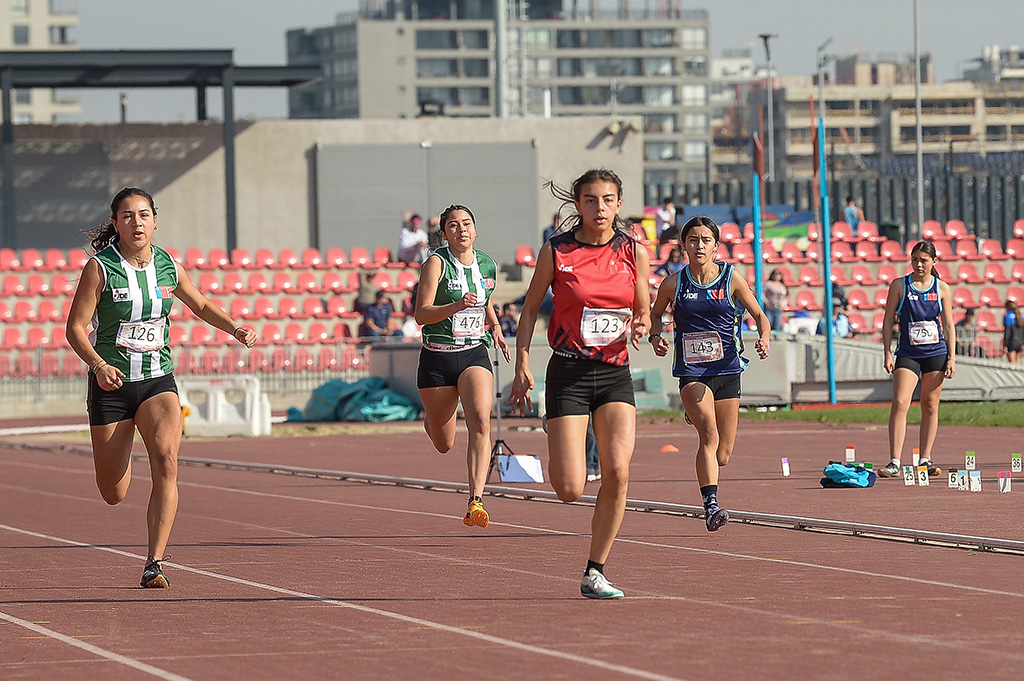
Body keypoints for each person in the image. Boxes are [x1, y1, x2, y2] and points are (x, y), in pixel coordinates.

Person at [64, 187, 258, 588]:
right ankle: (123, 449)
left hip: (157, 379)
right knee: (113, 492)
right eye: (128, 216)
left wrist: (234, 327)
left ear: (155, 220)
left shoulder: (168, 265)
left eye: (144, 215)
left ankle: (154, 562)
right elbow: (75, 329)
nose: (137, 222)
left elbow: (200, 305)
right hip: (112, 384)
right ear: (116, 223)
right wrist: (99, 366)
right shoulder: (100, 269)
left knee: (167, 461)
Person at [509, 168, 650, 600]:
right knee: (569, 489)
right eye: (591, 200)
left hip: (614, 373)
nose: (600, 208)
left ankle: (595, 570)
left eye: (608, 200)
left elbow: (643, 308)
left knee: (618, 472)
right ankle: (563, 450)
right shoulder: (557, 251)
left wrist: (645, 326)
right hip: (567, 373)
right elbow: (531, 309)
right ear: (578, 205)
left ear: (619, 204)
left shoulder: (633, 252)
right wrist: (522, 364)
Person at [648, 215, 771, 534]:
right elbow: (656, 312)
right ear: (683, 246)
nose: (699, 245)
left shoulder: (731, 278)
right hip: (692, 372)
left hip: (728, 369)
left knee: (724, 454)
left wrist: (763, 337)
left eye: (705, 240)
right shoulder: (674, 283)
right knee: (709, 436)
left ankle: (697, 418)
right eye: (693, 239)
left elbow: (758, 314)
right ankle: (711, 506)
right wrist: (656, 336)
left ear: (716, 247)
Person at [415, 204, 510, 526]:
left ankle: (476, 500)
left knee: (481, 420)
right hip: (438, 356)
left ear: (476, 229)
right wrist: (456, 305)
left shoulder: (487, 264)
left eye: (467, 223)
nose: (461, 230)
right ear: (444, 233)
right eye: (453, 226)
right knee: (444, 443)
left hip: (474, 351)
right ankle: (433, 421)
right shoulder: (436, 264)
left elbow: (486, 298)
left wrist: (495, 326)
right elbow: (421, 315)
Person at [878, 240, 956, 480]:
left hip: (936, 353)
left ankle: (925, 459)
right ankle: (894, 461)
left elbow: (949, 324)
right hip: (908, 353)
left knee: (930, 405)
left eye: (923, 260)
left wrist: (952, 357)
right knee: (901, 402)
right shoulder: (900, 286)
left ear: (934, 261)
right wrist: (887, 352)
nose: (919, 264)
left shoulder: (942, 288)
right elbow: (888, 320)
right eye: (915, 260)